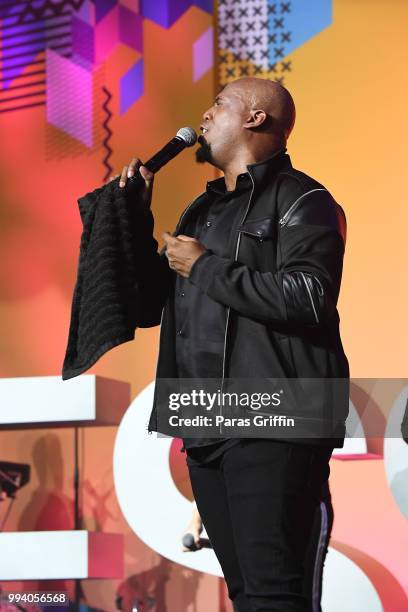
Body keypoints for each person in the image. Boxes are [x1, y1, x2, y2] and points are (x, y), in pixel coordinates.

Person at [114, 77, 349, 612]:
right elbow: (153, 306)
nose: (203, 116)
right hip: (207, 422)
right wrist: (134, 220)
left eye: (218, 105)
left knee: (274, 591)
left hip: (276, 418)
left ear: (255, 118)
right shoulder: (201, 210)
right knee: (246, 592)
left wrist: (204, 265)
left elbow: (309, 297)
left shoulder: (304, 199)